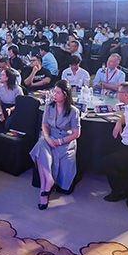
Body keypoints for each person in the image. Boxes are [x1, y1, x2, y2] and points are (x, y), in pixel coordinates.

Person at [30, 80, 80, 209]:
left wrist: (59, 141)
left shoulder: (73, 111)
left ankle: (44, 191)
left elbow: (76, 134)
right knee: (41, 143)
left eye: (57, 93)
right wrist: (47, 138)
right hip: (49, 137)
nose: (54, 95)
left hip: (64, 140)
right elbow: (44, 125)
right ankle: (48, 181)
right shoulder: (49, 106)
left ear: (65, 95)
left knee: (40, 150)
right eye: (54, 92)